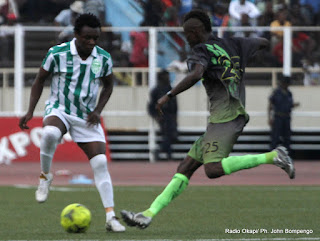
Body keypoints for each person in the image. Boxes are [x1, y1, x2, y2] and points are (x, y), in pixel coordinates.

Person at [121, 9, 295, 229]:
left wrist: (168, 95)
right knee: (185, 167)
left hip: (226, 117)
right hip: (228, 115)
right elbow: (262, 41)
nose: (186, 39)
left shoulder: (200, 50)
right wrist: (246, 54)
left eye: (186, 34)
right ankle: (147, 214)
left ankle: (273, 156)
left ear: (196, 31)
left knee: (212, 170)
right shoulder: (233, 44)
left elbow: (195, 74)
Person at [18, 13, 125, 233]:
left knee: (100, 164)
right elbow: (40, 80)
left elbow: (108, 86)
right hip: (60, 109)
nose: (92, 42)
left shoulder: (102, 58)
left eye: (96, 38)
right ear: (76, 34)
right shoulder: (57, 53)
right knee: (49, 134)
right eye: (87, 37)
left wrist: (97, 110)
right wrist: (30, 111)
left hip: (86, 116)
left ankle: (111, 217)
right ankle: (45, 176)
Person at [148, 70, 178, 160]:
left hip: (170, 116)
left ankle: (161, 151)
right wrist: (156, 115)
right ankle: (167, 154)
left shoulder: (170, 89)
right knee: (167, 135)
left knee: (172, 136)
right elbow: (151, 105)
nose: (168, 78)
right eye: (166, 76)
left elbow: (175, 104)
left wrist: (175, 115)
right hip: (162, 116)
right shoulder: (156, 90)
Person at [268, 76, 300, 154]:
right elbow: (270, 105)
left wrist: (294, 105)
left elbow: (289, 105)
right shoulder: (276, 92)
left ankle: (287, 154)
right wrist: (269, 118)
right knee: (275, 136)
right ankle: (272, 154)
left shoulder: (289, 93)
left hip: (287, 117)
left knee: (287, 137)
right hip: (278, 116)